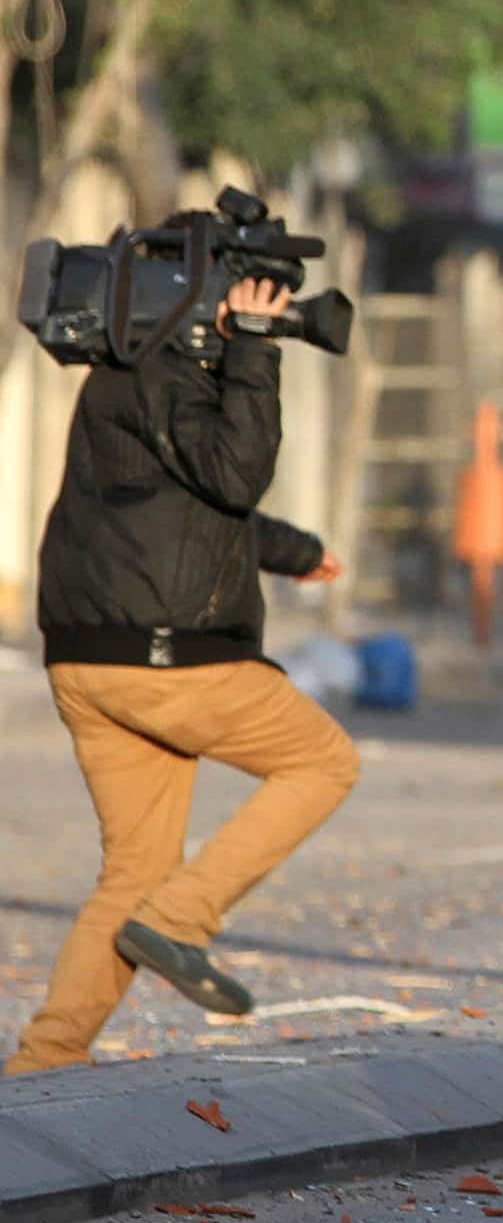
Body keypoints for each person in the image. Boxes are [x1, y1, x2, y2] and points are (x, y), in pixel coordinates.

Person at [9, 276, 359, 1075]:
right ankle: (182, 919)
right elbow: (236, 474)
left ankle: (46, 1058)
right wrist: (257, 345)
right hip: (169, 658)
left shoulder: (120, 381)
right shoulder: (177, 374)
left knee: (133, 869)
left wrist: (298, 555)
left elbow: (187, 506)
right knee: (323, 760)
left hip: (85, 659)